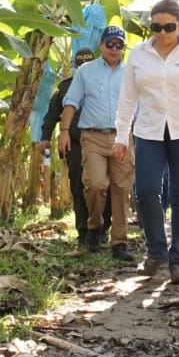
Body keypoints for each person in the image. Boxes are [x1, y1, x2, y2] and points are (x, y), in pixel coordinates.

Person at [112, 0, 179, 284]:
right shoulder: (139, 54)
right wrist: (121, 136)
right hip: (149, 130)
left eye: (169, 26)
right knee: (145, 190)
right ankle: (156, 250)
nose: (162, 32)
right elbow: (127, 98)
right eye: (156, 26)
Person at [60, 26, 133, 261]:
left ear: (123, 47)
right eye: (109, 44)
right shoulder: (86, 71)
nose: (114, 48)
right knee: (95, 184)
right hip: (92, 136)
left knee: (121, 188)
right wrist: (63, 131)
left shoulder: (131, 73)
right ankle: (94, 225)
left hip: (122, 136)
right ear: (101, 45)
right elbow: (71, 101)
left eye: (118, 45)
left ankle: (119, 242)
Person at [38, 47, 109, 248]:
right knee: (79, 187)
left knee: (103, 186)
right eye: (81, 63)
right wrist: (45, 138)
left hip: (101, 141)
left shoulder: (104, 82)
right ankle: (83, 231)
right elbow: (52, 114)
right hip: (75, 145)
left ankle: (104, 228)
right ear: (76, 65)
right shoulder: (66, 86)